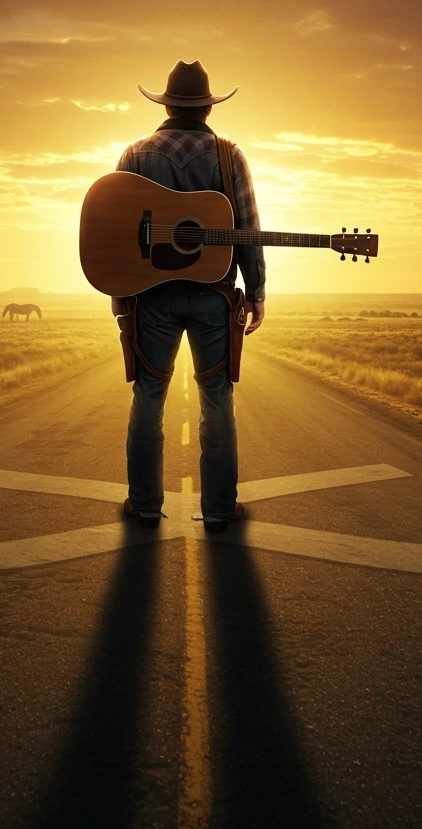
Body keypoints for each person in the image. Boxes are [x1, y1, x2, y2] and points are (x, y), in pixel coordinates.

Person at [113, 60, 266, 533]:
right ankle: (219, 509)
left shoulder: (136, 154)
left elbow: (114, 232)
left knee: (149, 395)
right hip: (213, 297)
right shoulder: (228, 155)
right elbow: (247, 228)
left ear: (167, 104)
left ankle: (143, 505)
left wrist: (121, 297)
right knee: (217, 400)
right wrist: (256, 290)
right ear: (205, 108)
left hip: (151, 298)